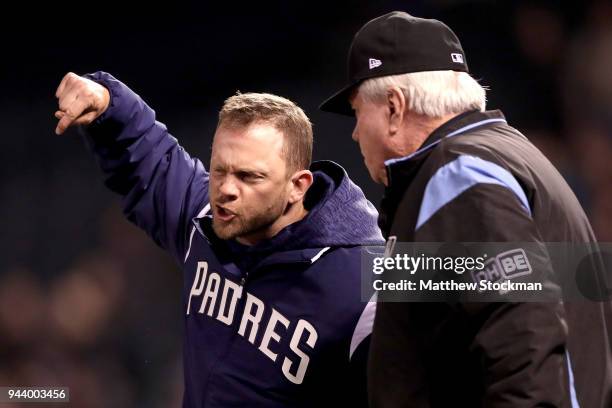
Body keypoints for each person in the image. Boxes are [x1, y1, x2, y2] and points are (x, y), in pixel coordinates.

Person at [320, 11, 612, 408]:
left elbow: (523, 341)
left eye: (357, 112)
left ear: (393, 108)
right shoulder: (495, 155)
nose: (354, 132)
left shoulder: (460, 176)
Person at [53, 71, 383, 407]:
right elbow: (153, 163)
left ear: (298, 186)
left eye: (248, 176)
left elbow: (436, 290)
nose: (226, 189)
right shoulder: (207, 217)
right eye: (220, 170)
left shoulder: (365, 265)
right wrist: (109, 102)